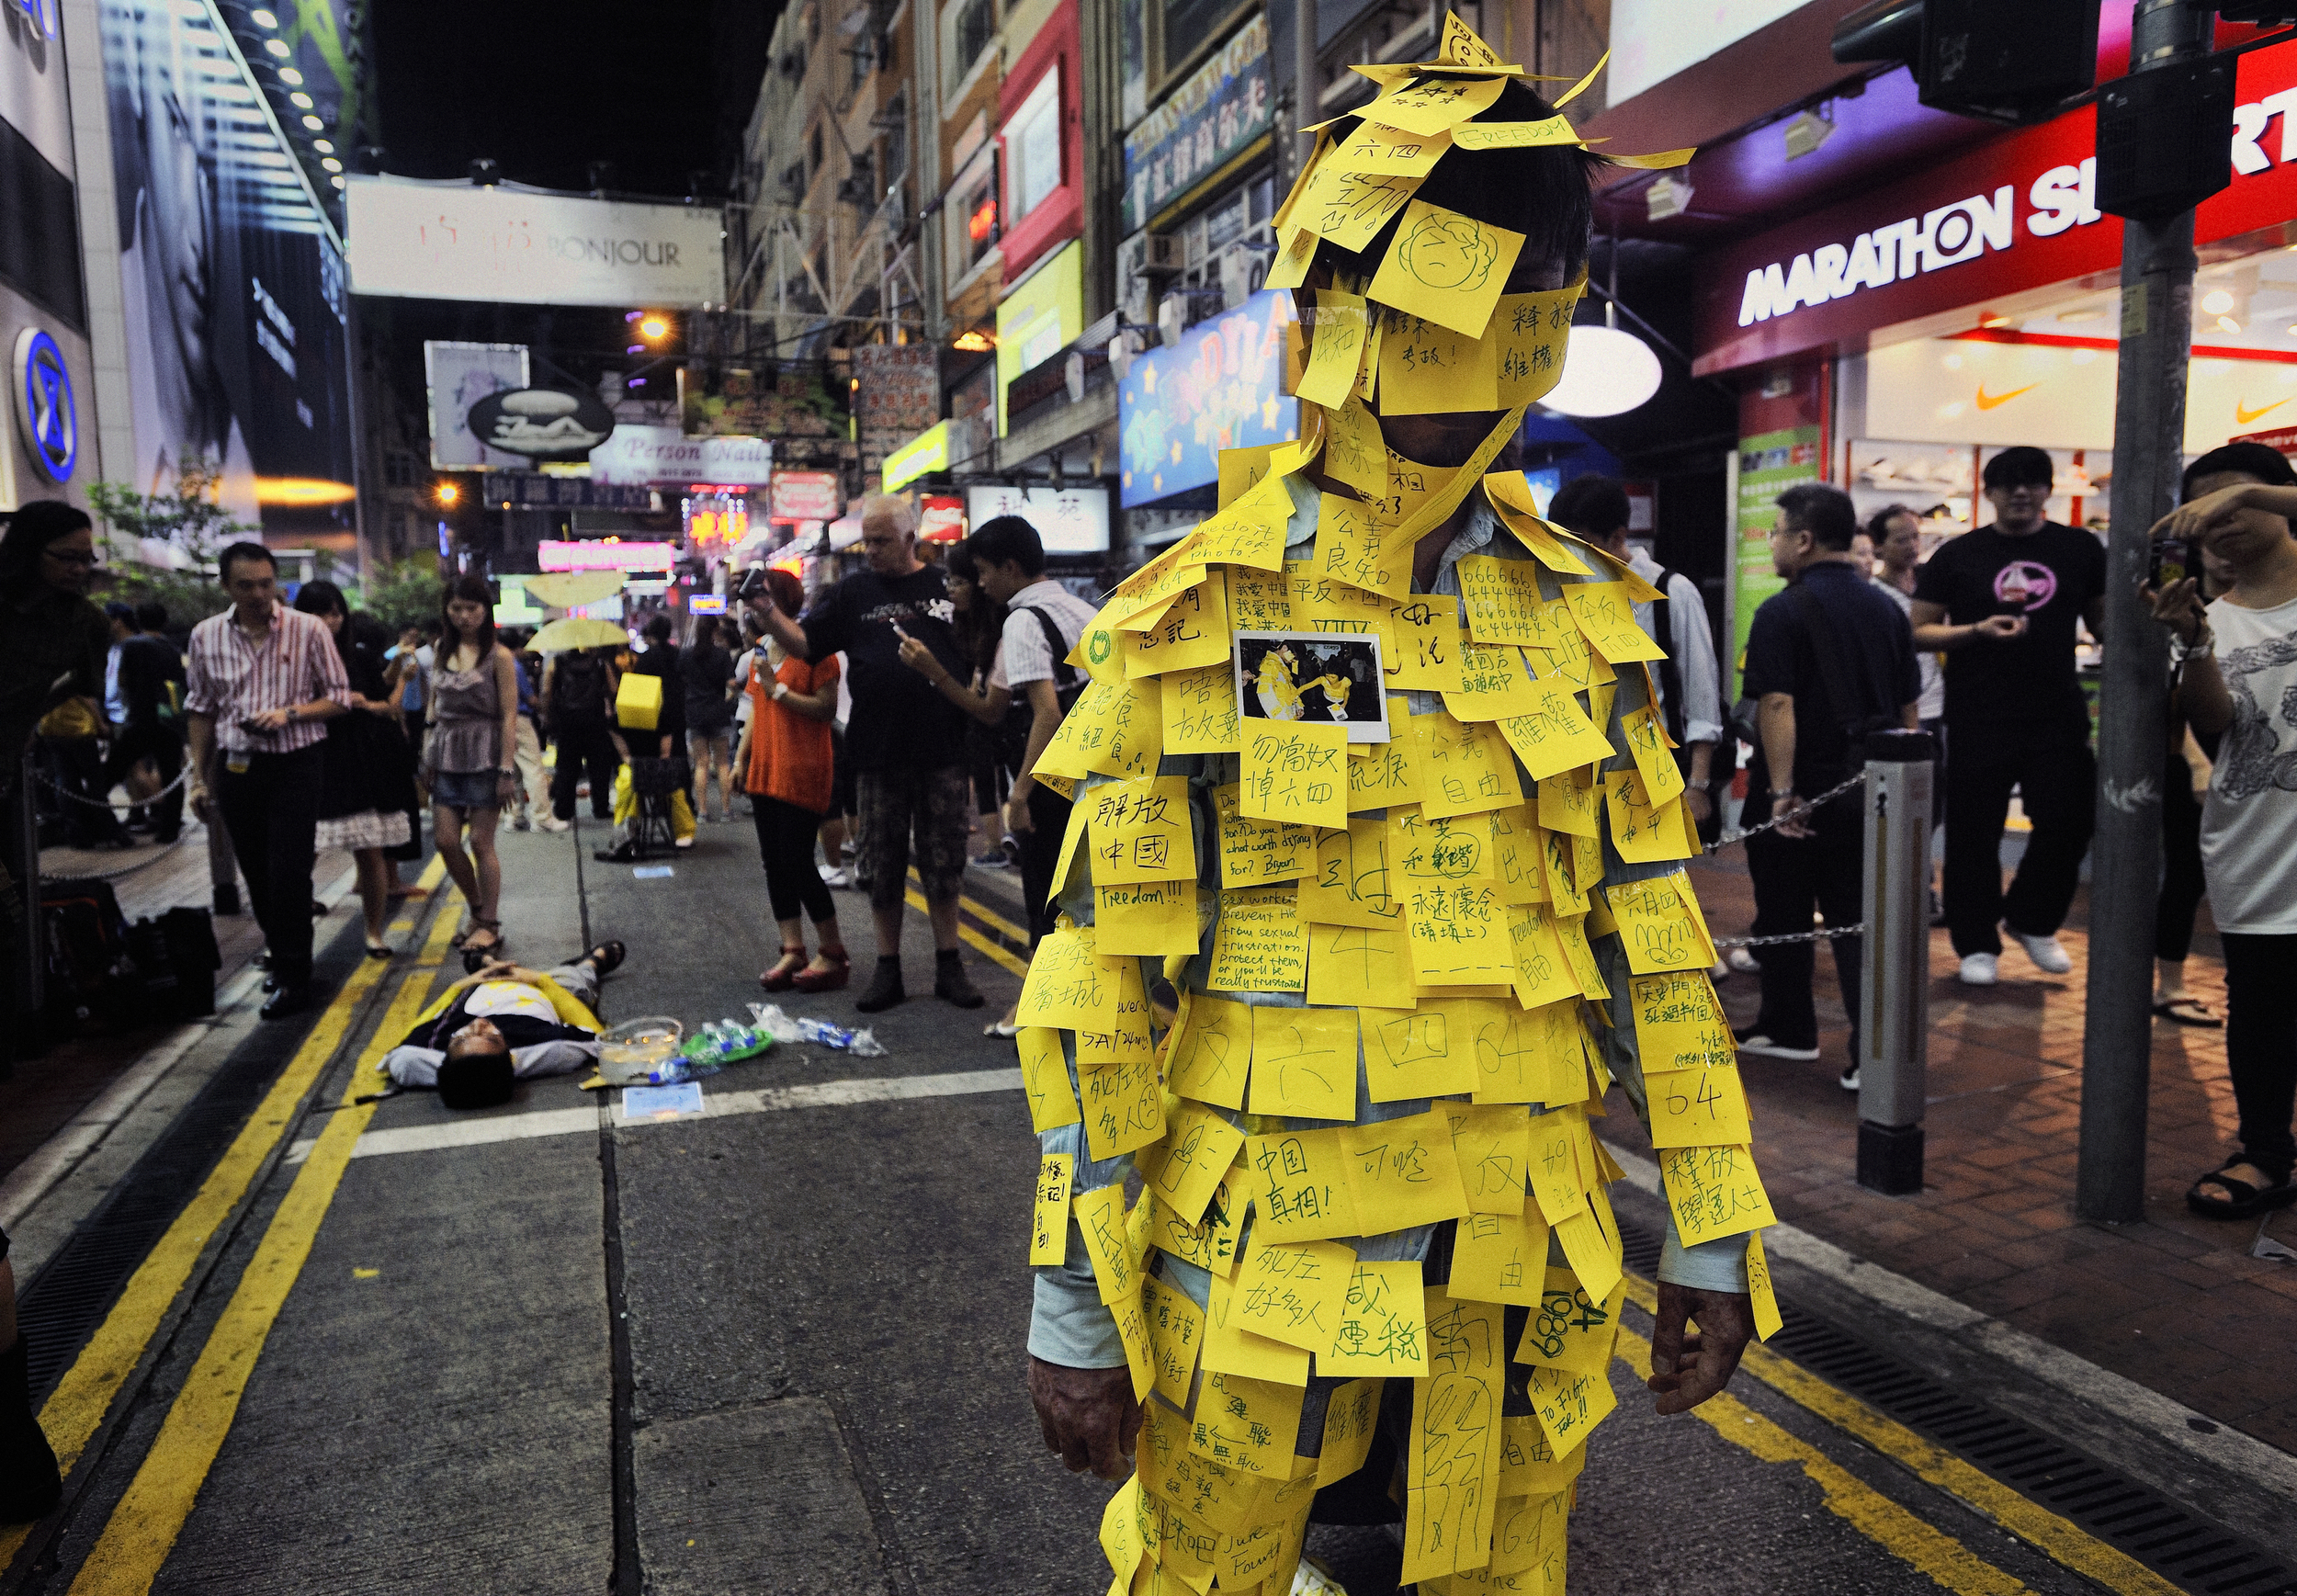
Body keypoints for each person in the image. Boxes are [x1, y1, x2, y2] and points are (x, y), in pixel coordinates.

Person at [1023, 34, 1766, 1592]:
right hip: (1258, 1248)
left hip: (1524, 1246)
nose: (1465, 384)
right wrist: (1072, 1310)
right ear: (1323, 315)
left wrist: (1707, 1232)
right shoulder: (1191, 617)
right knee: (1205, 1573)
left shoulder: (1592, 619)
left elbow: (1655, 944)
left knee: (1502, 1571)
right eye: (1425, 328)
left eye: (1520, 331)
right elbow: (1101, 994)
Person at [746, 495, 985, 1013]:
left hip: (942, 747)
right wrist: (766, 611)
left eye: (880, 541)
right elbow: (807, 642)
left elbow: (978, 646)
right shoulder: (853, 591)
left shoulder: (946, 584)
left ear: (909, 539)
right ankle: (888, 967)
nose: (870, 550)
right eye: (866, 540)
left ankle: (950, 963)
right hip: (877, 751)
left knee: (945, 863)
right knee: (881, 865)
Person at [2144, 441, 2297, 1218]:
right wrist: (2194, 640)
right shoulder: (2217, 617)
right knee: (2263, 1008)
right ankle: (2266, 1152)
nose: (2223, 525)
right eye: (2206, 514)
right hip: (2257, 843)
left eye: (2238, 504)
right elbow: (2219, 732)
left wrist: (2251, 499)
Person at [1734, 484, 1921, 1088]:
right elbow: (1908, 707)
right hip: (1874, 786)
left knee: (1785, 908)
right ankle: (1873, 1054)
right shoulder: (1888, 607)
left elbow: (1778, 701)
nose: (1774, 543)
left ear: (1805, 539)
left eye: (1779, 531)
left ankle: (1789, 1028)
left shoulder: (1780, 610)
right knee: (1858, 918)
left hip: (1805, 785)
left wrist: (1782, 790)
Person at [1911, 447, 2106, 986]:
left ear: (2049, 490)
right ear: (1990, 492)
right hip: (1978, 711)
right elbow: (1919, 629)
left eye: (2033, 483)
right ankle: (1976, 944)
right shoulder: (1957, 555)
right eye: (2009, 485)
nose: (2021, 493)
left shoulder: (2079, 548)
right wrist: (1973, 631)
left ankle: (2031, 919)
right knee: (1974, 831)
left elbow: (2106, 624)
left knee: (2068, 820)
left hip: (2057, 710)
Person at [185, 541, 351, 1019]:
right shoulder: (205, 636)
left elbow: (339, 697)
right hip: (237, 767)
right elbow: (200, 709)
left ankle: (296, 974)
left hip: (297, 762)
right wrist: (200, 777)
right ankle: (283, 957)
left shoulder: (308, 629)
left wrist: (289, 714)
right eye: (246, 586)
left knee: (288, 870)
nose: (259, 594)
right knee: (257, 873)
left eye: (265, 583)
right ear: (225, 586)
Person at [1546, 475, 1723, 834]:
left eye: (1581, 543)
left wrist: (1699, 784)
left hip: (1654, 770)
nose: (1568, 554)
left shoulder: (1670, 592)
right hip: (1581, 772)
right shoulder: (1562, 593)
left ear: (1618, 538)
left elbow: (1702, 694)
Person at [290, 583, 417, 958]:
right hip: (314, 759)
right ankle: (288, 941)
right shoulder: (291, 661)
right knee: (301, 854)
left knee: (370, 849)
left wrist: (366, 700)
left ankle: (374, 932)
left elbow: (383, 701)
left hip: (360, 759)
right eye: (319, 613)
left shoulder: (357, 656)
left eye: (335, 613)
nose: (329, 621)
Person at [738, 570, 849, 992]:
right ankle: (792, 949)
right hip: (766, 768)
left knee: (799, 863)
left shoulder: (817, 652)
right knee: (774, 864)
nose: (752, 611)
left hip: (802, 768)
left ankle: (834, 952)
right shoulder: (764, 648)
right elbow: (753, 708)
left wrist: (779, 691)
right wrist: (740, 759)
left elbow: (825, 709)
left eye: (762, 601)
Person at [423, 575, 520, 962]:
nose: (464, 616)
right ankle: (478, 908)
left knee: (481, 842)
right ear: (447, 610)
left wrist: (506, 770)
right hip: (445, 753)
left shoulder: (499, 656)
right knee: (446, 841)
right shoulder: (440, 649)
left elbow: (510, 715)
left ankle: (489, 924)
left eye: (472, 608)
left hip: (485, 753)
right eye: (457, 608)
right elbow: (433, 706)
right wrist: (426, 753)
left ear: (486, 610)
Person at [380, 940, 626, 1091]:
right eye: (491, 1037)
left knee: (492, 969)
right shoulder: (546, 1043)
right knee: (573, 982)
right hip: (538, 991)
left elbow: (409, 1042)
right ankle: (589, 965)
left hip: (480, 986)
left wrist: (460, 986)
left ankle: (487, 964)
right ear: (509, 1053)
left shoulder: (429, 1046)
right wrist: (541, 981)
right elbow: (598, 1038)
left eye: (461, 1038)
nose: (479, 1025)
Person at [102, 599, 187, 843]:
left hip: (140, 719)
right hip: (167, 721)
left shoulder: (131, 645)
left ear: (138, 621)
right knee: (171, 774)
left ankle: (98, 822)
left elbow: (122, 681)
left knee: (112, 771)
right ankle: (169, 829)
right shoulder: (171, 648)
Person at [541, 644, 620, 827]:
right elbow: (614, 689)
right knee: (599, 767)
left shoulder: (556, 663)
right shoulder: (601, 663)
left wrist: (547, 715)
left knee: (566, 768)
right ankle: (600, 807)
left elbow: (546, 691)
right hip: (595, 720)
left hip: (567, 722)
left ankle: (563, 810)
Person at [685, 612, 737, 823]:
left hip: (695, 713)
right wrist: (728, 697)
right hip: (717, 712)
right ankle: (726, 811)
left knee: (701, 764)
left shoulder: (686, 655)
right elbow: (732, 684)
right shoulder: (722, 655)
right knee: (722, 763)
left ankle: (703, 812)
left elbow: (680, 680)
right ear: (716, 631)